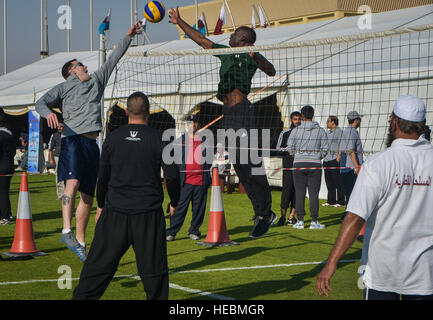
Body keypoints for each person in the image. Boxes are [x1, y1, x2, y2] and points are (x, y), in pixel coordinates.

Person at [35, 22, 143, 261]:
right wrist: (49, 113)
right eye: (80, 64)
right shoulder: (63, 88)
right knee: (71, 184)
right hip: (72, 139)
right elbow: (40, 103)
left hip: (92, 143)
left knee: (87, 195)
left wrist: (128, 34)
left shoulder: (97, 81)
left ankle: (81, 242)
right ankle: (66, 230)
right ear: (72, 71)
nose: (85, 66)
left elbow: (114, 57)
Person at [169, 7, 278, 238]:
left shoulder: (252, 53)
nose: (229, 37)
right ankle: (262, 213)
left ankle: (265, 213)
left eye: (233, 34)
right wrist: (179, 21)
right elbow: (201, 40)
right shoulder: (226, 52)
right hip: (228, 115)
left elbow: (271, 71)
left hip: (243, 112)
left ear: (243, 39)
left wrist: (256, 56)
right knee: (239, 165)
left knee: (252, 163)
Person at [317, 95, 433, 300]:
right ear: (423, 126)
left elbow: (354, 218)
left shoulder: (378, 164)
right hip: (424, 274)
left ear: (394, 122)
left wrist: (331, 263)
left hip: (382, 272)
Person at [73, 92, 179, 300]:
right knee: (154, 274)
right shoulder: (159, 139)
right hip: (147, 215)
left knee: (96, 270)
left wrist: (101, 205)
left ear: (127, 111)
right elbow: (172, 176)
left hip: (115, 213)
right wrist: (174, 201)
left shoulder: (112, 139)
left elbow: (102, 178)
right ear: (148, 112)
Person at [166, 114, 211, 242]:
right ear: (186, 125)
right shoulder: (180, 141)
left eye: (195, 122)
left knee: (199, 208)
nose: (193, 125)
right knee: (180, 207)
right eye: (190, 123)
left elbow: (209, 159)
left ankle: (194, 231)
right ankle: (171, 232)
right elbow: (172, 158)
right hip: (184, 181)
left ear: (198, 124)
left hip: (201, 180)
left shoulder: (204, 140)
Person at [286, 105, 328, 230]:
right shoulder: (320, 130)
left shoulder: (296, 130)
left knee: (300, 193)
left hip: (299, 164)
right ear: (312, 115)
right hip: (315, 164)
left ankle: (300, 221)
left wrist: (296, 156)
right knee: (314, 194)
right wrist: (317, 156)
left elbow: (289, 148)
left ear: (302, 116)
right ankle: (314, 221)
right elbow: (326, 149)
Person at [275, 111, 301, 226]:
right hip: (288, 166)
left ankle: (292, 217)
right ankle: (282, 217)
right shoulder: (285, 133)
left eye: (299, 119)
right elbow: (277, 148)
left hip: (300, 166)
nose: (297, 121)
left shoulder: (303, 133)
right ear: (291, 120)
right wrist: (289, 150)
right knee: (286, 192)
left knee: (297, 192)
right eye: (295, 119)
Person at [339, 111, 364, 221]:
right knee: (351, 192)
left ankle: (348, 215)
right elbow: (350, 150)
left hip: (348, 166)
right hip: (350, 167)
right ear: (356, 120)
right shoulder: (350, 132)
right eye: (359, 118)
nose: (360, 120)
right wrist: (357, 166)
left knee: (352, 193)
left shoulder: (351, 132)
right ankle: (348, 216)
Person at [322, 116, 344, 207]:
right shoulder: (327, 133)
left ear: (333, 122)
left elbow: (342, 144)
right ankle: (331, 200)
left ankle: (341, 201)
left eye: (328, 121)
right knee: (329, 181)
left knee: (337, 181)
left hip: (335, 159)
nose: (327, 123)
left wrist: (339, 156)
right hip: (327, 159)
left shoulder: (339, 132)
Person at [0, 113, 16, 225]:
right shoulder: (10, 134)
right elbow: (14, 151)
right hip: (9, 165)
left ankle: (5, 216)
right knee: (4, 191)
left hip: (2, 167)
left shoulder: (1, 135)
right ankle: (7, 214)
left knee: (2, 192)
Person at [48, 123, 65, 200]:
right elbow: (50, 148)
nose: (60, 128)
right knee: (58, 175)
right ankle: (60, 194)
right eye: (58, 126)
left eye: (61, 126)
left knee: (68, 176)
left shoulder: (68, 135)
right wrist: (50, 159)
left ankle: (67, 193)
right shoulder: (54, 135)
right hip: (57, 157)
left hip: (67, 157)